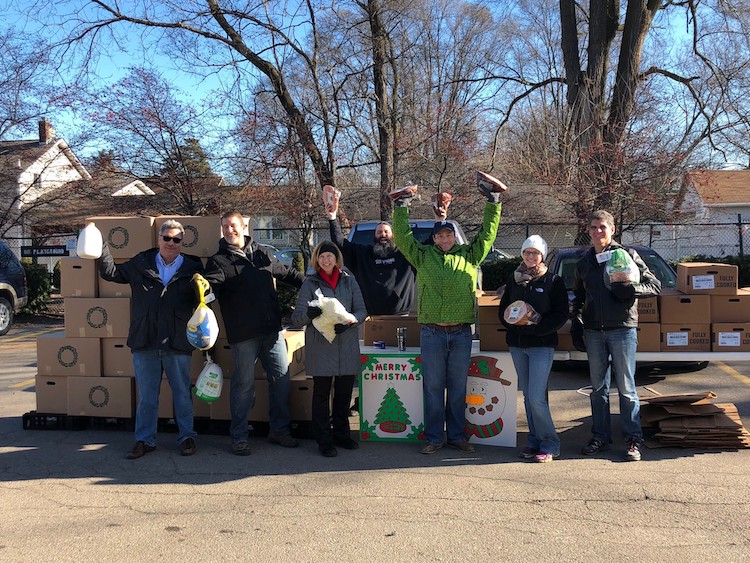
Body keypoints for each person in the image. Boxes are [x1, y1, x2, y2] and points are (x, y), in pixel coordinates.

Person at [391, 173, 505, 454]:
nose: (444, 238)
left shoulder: (470, 255)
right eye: (440, 235)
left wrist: (494, 203)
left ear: (454, 236)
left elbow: (488, 234)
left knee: (457, 389)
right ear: (434, 238)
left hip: (460, 333)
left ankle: (456, 436)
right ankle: (433, 438)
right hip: (431, 332)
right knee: (432, 388)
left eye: (448, 234)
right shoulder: (422, 256)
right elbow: (404, 239)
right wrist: (400, 208)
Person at [201, 211, 305, 456]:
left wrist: (312, 283)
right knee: (243, 386)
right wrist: (202, 290)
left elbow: (288, 274)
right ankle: (239, 436)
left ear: (244, 226)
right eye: (225, 226)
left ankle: (279, 430)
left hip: (272, 330)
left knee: (281, 381)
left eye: (233, 225)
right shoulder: (218, 261)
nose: (229, 230)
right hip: (243, 334)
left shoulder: (262, 253)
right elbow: (209, 290)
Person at [98, 219, 204, 459]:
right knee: (147, 396)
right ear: (159, 239)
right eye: (166, 238)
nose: (171, 243)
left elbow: (208, 297)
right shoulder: (140, 263)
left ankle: (187, 437)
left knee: (182, 394)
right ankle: (145, 440)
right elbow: (111, 272)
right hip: (145, 339)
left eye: (176, 240)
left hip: (178, 341)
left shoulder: (193, 268)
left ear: (182, 242)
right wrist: (100, 244)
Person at [571, 210, 661, 462]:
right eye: (593, 227)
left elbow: (654, 286)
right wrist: (577, 322)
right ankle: (600, 436)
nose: (598, 231)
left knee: (626, 388)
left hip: (622, 329)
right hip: (594, 332)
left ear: (612, 230)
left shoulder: (628, 256)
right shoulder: (583, 263)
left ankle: (633, 438)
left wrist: (630, 289)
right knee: (598, 389)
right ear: (587, 231)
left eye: (602, 227)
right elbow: (578, 297)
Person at [291, 241, 367, 457]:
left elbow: (362, 310)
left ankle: (342, 435)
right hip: (320, 346)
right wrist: (309, 315)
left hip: (346, 344)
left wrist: (351, 321)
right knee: (322, 394)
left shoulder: (349, 281)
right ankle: (323, 439)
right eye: (322, 256)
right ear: (317, 259)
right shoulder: (309, 284)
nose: (326, 260)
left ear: (336, 259)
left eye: (330, 256)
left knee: (344, 395)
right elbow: (297, 319)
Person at [499, 235, 568, 463]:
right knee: (528, 397)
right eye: (527, 252)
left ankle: (550, 443)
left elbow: (560, 314)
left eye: (535, 253)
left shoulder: (553, 281)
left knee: (537, 397)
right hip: (518, 346)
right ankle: (534, 440)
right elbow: (504, 310)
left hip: (541, 345)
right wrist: (512, 323)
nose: (531, 256)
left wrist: (538, 329)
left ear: (542, 255)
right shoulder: (514, 279)